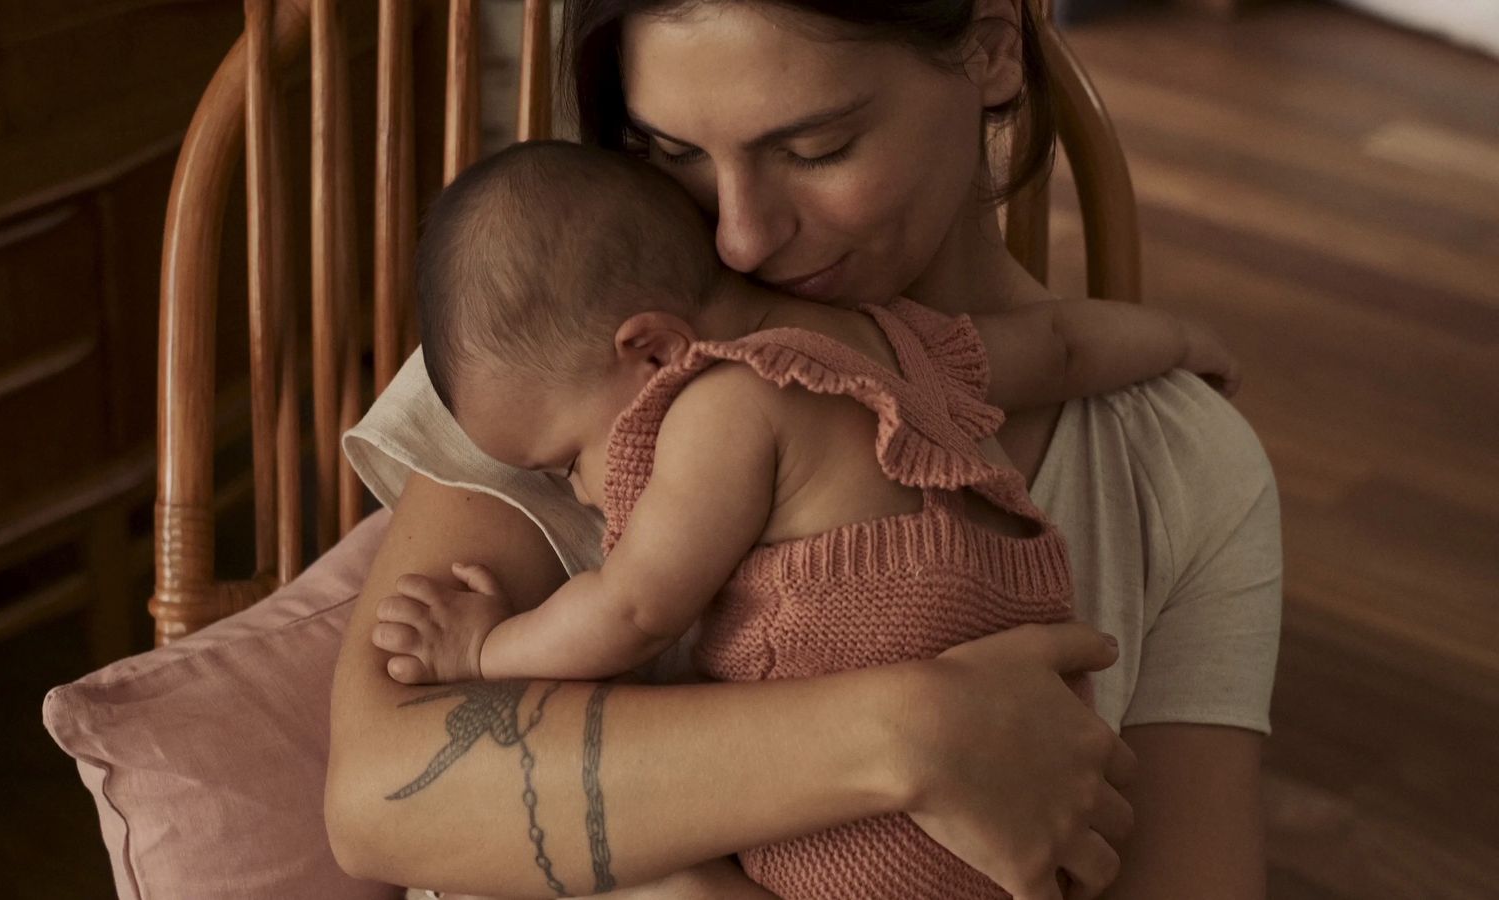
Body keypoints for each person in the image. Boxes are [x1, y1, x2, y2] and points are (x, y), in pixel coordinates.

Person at [324, 2, 1281, 900]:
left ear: (991, 51)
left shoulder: (1175, 460)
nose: (738, 241)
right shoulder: (551, 339)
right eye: (674, 154)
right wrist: (913, 732)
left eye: (816, 148)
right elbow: (379, 797)